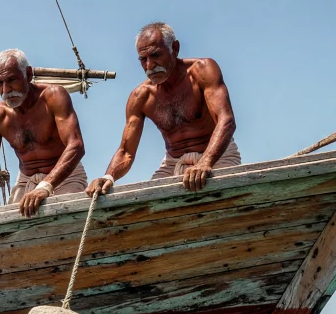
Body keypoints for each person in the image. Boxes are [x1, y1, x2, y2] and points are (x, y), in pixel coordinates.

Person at [87, 22, 239, 196]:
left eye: (156, 55)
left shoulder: (202, 71)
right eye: (143, 59)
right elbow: (126, 151)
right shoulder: (141, 96)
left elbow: (226, 120)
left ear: (175, 48)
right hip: (173, 163)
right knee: (148, 208)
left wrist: (206, 162)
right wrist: (108, 176)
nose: (150, 65)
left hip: (217, 155)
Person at [0, 49, 86, 221]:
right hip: (26, 181)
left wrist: (45, 186)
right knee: (12, 233)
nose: (6, 89)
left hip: (66, 176)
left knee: (68, 223)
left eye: (11, 80)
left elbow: (76, 145)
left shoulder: (53, 97)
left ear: (28, 74)